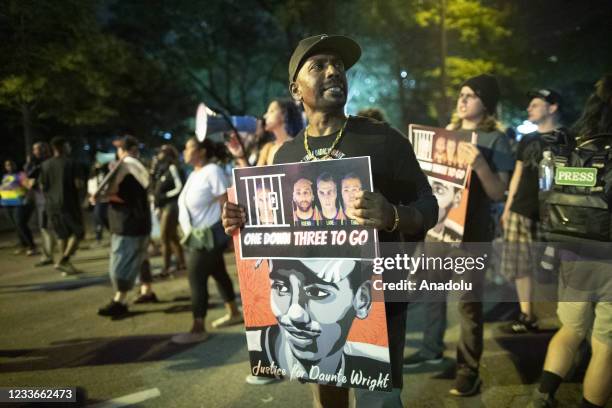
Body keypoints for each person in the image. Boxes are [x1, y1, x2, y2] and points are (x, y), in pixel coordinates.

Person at [223, 34, 438, 408]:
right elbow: (276, 235)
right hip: (308, 308)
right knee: (326, 398)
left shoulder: (382, 139)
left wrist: (393, 216)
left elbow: (429, 207)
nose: (333, 71)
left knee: (380, 402)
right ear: (296, 89)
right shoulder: (285, 155)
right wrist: (243, 221)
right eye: (318, 66)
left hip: (377, 302)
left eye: (337, 65)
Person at [404, 74, 514, 396]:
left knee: (467, 303)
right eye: (461, 94)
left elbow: (498, 193)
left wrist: (480, 165)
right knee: (432, 293)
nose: (462, 100)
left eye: (471, 95)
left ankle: (468, 370)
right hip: (438, 232)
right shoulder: (446, 135)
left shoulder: (497, 140)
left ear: (486, 103)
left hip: (472, 237)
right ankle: (430, 348)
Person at [528, 74, 612, 408]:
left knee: (571, 329)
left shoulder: (579, 145)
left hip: (574, 251)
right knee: (605, 343)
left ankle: (542, 396)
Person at [246, 259, 391, 383]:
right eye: (281, 287)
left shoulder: (378, 364)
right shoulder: (256, 349)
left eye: (317, 292)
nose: (295, 314)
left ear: (362, 300)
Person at [500, 88, 565, 334]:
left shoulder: (566, 137)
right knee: (520, 265)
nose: (530, 108)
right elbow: (517, 174)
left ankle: (562, 316)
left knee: (554, 265)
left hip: (553, 212)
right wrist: (508, 208)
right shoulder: (526, 139)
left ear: (552, 107)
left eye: (536, 104)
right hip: (521, 209)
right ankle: (527, 315)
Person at [172, 137, 243, 344]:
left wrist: (231, 235)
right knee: (218, 271)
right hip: (196, 236)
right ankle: (233, 312)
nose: (184, 151)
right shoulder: (195, 173)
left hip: (209, 235)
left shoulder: (212, 171)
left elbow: (226, 202)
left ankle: (198, 328)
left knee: (196, 276)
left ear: (201, 151)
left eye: (188, 147)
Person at [97, 135, 153, 317]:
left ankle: (119, 301)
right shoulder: (138, 166)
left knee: (122, 263)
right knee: (140, 259)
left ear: (123, 150)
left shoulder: (126, 168)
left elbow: (127, 197)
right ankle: (147, 291)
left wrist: (104, 196)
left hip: (127, 224)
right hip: (138, 223)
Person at [40, 137, 85, 275]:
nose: (69, 147)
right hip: (68, 203)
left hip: (51, 205)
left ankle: (67, 267)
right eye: (68, 145)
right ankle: (64, 260)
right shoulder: (72, 163)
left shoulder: (45, 165)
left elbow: (42, 186)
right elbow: (78, 184)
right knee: (78, 232)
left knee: (62, 234)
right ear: (63, 147)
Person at [153, 144, 186, 278]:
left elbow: (179, 186)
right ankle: (182, 264)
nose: (159, 155)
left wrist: (166, 195)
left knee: (164, 237)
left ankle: (166, 267)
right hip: (164, 206)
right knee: (172, 237)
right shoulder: (162, 170)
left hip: (172, 206)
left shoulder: (173, 168)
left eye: (161, 153)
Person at [25, 142, 55, 265]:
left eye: (38, 149)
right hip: (41, 200)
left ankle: (57, 254)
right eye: (34, 150)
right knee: (44, 228)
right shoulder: (33, 165)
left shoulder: (49, 163)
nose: (36, 152)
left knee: (51, 227)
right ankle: (48, 255)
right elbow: (29, 181)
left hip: (51, 199)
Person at [1, 160, 36, 255]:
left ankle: (31, 246)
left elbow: (29, 187)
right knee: (17, 226)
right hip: (7, 204)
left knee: (20, 224)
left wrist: (27, 198)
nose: (9, 166)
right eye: (7, 165)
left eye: (11, 164)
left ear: (15, 165)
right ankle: (23, 245)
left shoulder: (21, 175)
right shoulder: (5, 177)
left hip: (19, 203)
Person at [87, 162, 110, 247]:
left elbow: (106, 189)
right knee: (99, 221)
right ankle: (99, 238)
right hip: (96, 202)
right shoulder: (91, 178)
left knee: (101, 220)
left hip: (103, 201)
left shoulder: (103, 177)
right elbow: (89, 190)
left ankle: (100, 238)